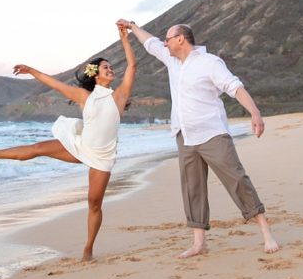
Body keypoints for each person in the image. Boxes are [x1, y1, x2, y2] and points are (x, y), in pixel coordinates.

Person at [0, 22, 137, 261]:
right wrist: (32, 70)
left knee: (94, 204)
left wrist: (125, 40)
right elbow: (55, 85)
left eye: (111, 67)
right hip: (80, 146)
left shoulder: (119, 96)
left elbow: (133, 64)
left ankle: (88, 248)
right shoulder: (84, 96)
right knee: (38, 148)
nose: (111, 70)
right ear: (95, 74)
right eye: (105, 67)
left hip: (101, 157)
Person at [119, 19, 278, 258]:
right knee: (192, 188)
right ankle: (199, 243)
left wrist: (255, 113)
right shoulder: (171, 60)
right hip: (184, 135)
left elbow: (235, 87)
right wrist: (132, 27)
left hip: (212, 133)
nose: (165, 42)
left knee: (236, 180)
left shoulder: (209, 63)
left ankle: (266, 233)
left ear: (180, 39)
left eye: (169, 38)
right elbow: (150, 43)